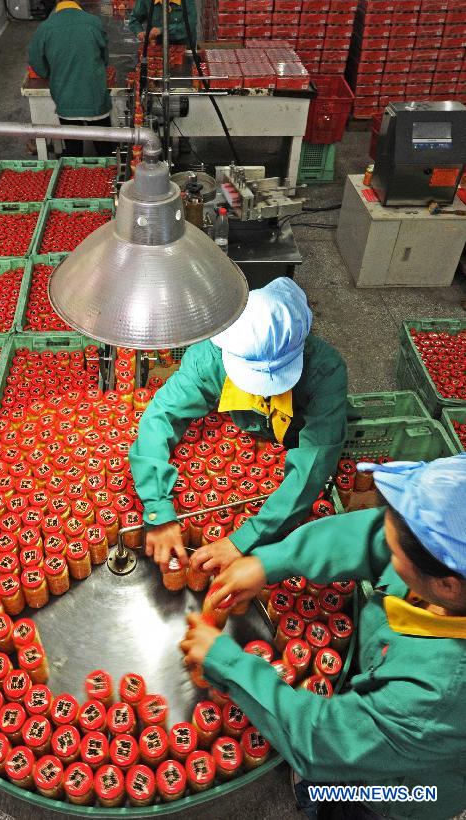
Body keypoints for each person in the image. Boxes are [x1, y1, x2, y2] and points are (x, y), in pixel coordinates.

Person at [181, 453, 466, 820]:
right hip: (385, 703)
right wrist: (269, 562)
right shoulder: (445, 562)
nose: (385, 543)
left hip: (405, 789)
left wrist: (227, 663)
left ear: (446, 585)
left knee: (359, 802)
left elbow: (324, 741)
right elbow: (368, 537)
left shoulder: (439, 693)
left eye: (395, 552)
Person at [129, 278, 347, 572]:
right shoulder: (210, 357)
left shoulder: (325, 371)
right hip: (239, 436)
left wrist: (244, 538)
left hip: (288, 447)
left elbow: (313, 465)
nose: (263, 390)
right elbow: (161, 416)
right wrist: (157, 507)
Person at [28, 0, 112, 158]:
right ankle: (112, 181)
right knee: (107, 152)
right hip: (95, 99)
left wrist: (54, 72)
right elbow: (104, 59)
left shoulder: (45, 28)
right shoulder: (93, 23)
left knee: (73, 153)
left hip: (66, 101)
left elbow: (36, 63)